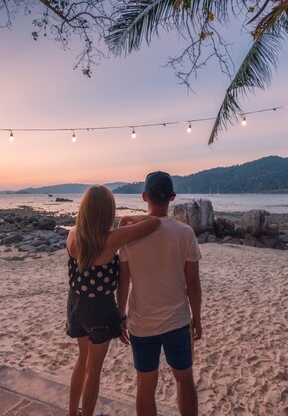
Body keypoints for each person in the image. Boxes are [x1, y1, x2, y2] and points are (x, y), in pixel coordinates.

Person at [66, 185, 161, 416]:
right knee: (94, 371)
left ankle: (72, 414)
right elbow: (154, 222)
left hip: (75, 304)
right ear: (107, 212)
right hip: (99, 309)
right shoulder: (110, 239)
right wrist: (129, 217)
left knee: (82, 360)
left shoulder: (72, 234)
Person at [118, 171, 202, 416]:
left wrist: (120, 315)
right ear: (173, 197)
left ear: (144, 196)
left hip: (141, 324)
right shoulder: (185, 233)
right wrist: (197, 318)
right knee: (184, 379)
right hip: (177, 321)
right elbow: (193, 285)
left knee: (145, 386)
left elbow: (124, 281)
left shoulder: (129, 235)